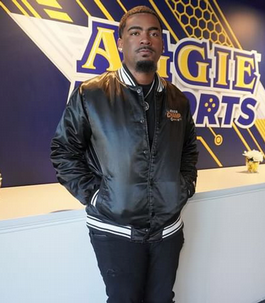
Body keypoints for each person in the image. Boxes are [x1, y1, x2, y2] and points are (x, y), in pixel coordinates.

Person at [50, 5, 198, 303]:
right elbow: (63, 150)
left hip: (168, 230)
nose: (145, 39)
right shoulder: (91, 94)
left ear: (160, 44)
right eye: (136, 32)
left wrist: (183, 188)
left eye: (153, 33)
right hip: (114, 230)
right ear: (121, 42)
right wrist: (96, 196)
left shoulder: (178, 100)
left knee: (162, 299)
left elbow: (188, 151)